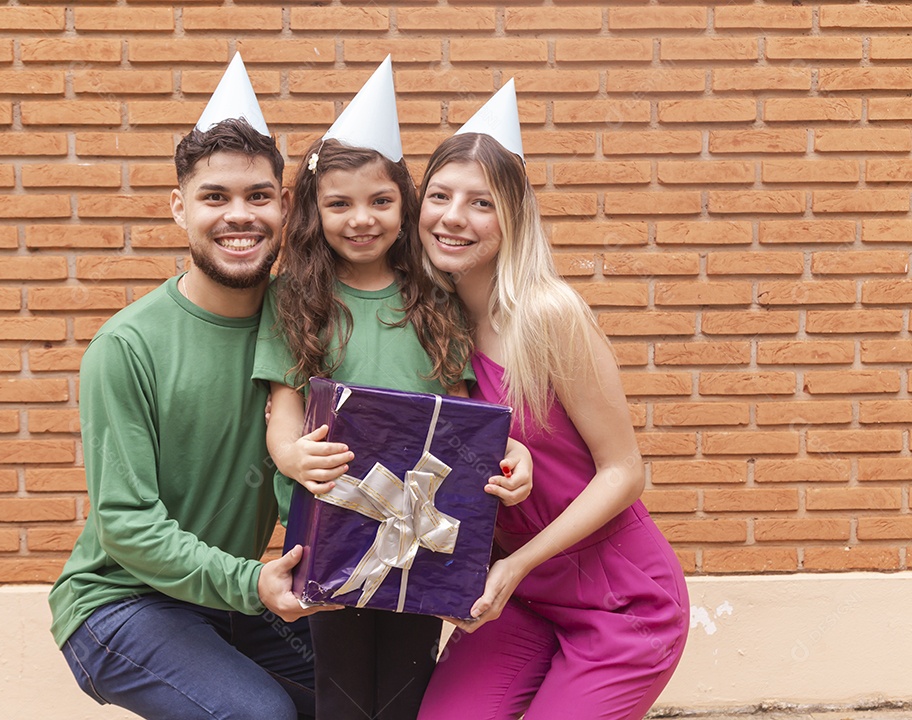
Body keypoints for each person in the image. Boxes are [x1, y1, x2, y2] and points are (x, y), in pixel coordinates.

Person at [47, 54, 333, 720]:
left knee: (364, 698)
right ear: (180, 208)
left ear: (284, 206)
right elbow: (127, 526)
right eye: (215, 197)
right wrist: (251, 581)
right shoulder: (128, 346)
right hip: (120, 603)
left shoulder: (302, 322)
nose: (240, 215)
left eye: (258, 196)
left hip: (229, 597)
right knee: (258, 716)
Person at [252, 59, 531, 720]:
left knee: (408, 683)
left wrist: (510, 449)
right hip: (332, 519)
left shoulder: (432, 295)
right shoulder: (295, 297)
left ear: (404, 203)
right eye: (339, 204)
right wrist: (291, 455)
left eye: (380, 201)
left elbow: (463, 407)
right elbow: (283, 404)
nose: (362, 219)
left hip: (420, 526)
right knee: (342, 688)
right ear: (313, 210)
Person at [415, 82, 690, 720]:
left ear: (513, 217)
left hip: (622, 600)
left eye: (481, 203)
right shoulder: (435, 322)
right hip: (522, 597)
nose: (453, 217)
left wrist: (515, 566)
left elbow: (624, 471)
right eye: (440, 196)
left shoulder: (549, 316)